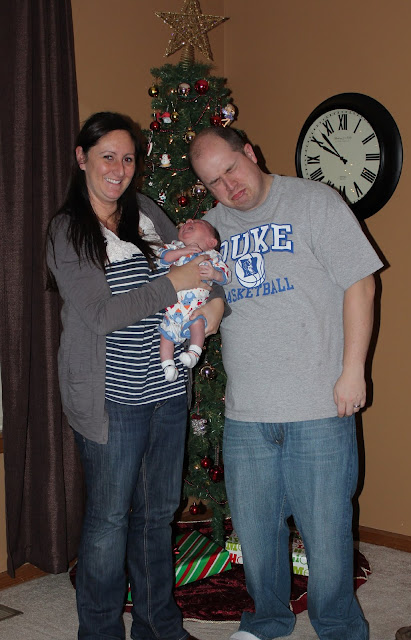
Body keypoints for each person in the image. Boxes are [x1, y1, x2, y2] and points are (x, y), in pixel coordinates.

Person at [189, 126, 383, 640]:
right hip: (246, 411)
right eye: (213, 181)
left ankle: (339, 627)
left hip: (319, 403)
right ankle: (268, 621)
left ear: (250, 153)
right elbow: (208, 299)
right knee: (255, 533)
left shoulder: (315, 202)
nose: (228, 186)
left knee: (326, 533)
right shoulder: (210, 228)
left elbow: (361, 284)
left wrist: (353, 370)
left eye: (231, 169)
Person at [46, 111, 226, 640]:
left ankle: (157, 627)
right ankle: (100, 632)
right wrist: (175, 282)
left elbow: (202, 263)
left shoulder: (145, 211)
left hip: (167, 391)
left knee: (158, 514)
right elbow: (102, 314)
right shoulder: (67, 230)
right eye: (108, 156)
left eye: (127, 159)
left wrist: (213, 303)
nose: (118, 169)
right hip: (112, 401)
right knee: (109, 520)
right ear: (82, 158)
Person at [155, 218, 231, 381]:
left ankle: (194, 353)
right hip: (172, 310)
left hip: (195, 308)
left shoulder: (211, 256)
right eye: (186, 222)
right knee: (165, 336)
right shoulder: (175, 247)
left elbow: (225, 277)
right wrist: (182, 251)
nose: (188, 221)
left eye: (197, 223)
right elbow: (162, 258)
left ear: (211, 242)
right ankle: (168, 366)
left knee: (198, 323)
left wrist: (214, 274)